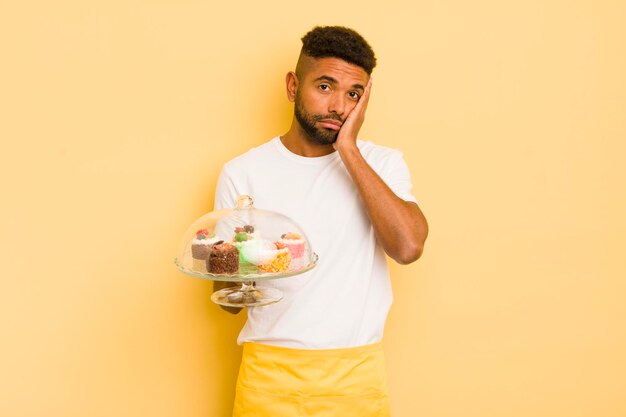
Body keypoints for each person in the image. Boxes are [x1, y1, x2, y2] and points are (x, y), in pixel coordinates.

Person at [213, 25, 428, 417]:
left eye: (354, 94)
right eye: (325, 87)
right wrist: (240, 259)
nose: (339, 107)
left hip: (356, 376)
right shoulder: (243, 172)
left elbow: (408, 247)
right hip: (269, 374)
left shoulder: (382, 163)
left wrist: (348, 149)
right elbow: (229, 301)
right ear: (293, 86)